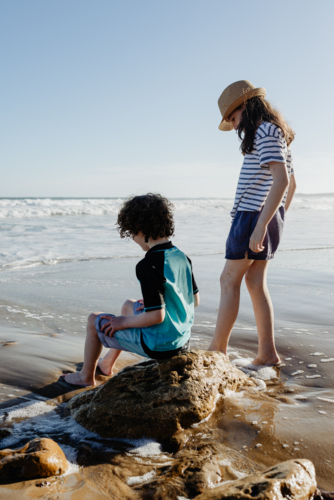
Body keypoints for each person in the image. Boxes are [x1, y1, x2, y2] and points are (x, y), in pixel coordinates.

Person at [64, 193, 200, 386]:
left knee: (94, 320)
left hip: (160, 346)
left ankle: (85, 377)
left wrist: (122, 322)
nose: (133, 239)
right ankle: (107, 363)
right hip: (182, 340)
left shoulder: (148, 265)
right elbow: (194, 300)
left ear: (141, 230)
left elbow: (156, 317)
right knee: (129, 305)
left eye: (132, 233)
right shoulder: (181, 256)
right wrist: (164, 300)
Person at [208, 80, 296, 366]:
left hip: (252, 216)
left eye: (233, 118)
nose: (234, 126)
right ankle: (267, 355)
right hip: (267, 216)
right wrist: (275, 219)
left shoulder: (264, 131)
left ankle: (217, 351)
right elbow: (291, 185)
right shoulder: (277, 132)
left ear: (245, 106)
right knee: (255, 282)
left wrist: (260, 226)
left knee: (228, 280)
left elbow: (282, 181)